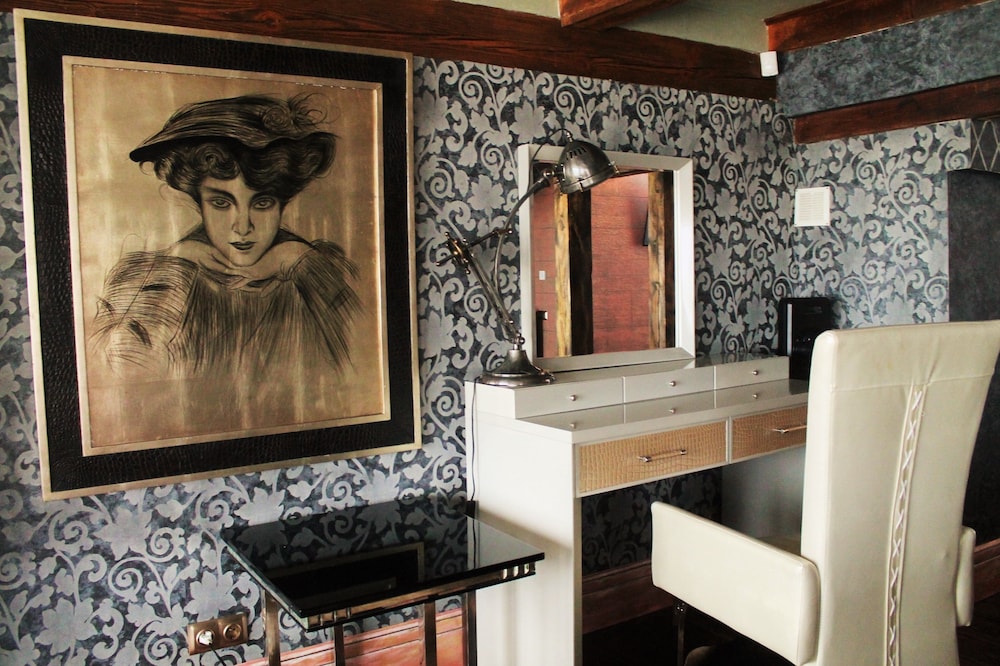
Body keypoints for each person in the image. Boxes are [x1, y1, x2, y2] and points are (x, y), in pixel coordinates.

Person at [91, 94, 361, 381]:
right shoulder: (160, 278)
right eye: (221, 203)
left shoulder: (311, 274)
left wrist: (301, 261)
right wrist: (175, 262)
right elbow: (123, 365)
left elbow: (361, 353)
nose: (242, 227)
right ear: (199, 203)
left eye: (262, 203)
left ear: (282, 204)